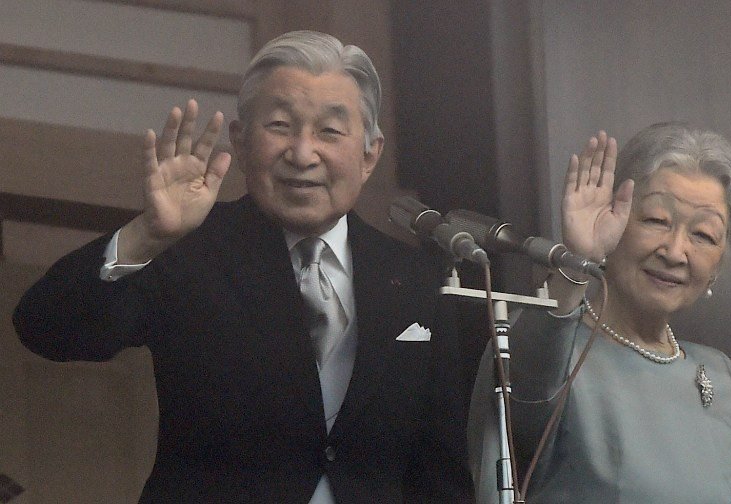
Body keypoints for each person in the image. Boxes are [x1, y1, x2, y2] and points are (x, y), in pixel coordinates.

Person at [14, 31, 472, 503]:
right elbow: (48, 330)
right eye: (279, 125)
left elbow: (439, 471)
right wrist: (146, 234)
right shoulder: (190, 247)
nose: (302, 153)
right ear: (241, 140)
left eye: (330, 132)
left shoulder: (413, 279)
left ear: (370, 154)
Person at [468, 123, 731, 503]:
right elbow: (521, 403)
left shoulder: (722, 378)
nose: (675, 252)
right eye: (656, 220)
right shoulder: (551, 350)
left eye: (703, 235)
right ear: (616, 220)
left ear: (719, 264)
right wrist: (577, 262)